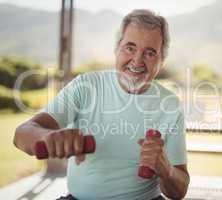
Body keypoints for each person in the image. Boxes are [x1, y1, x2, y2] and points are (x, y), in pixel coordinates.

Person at [14, 9, 189, 200]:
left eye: (150, 52)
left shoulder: (170, 105)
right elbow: (21, 134)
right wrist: (47, 136)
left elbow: (179, 191)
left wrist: (166, 170)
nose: (137, 60)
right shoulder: (86, 86)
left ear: (161, 61)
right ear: (117, 49)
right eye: (130, 48)